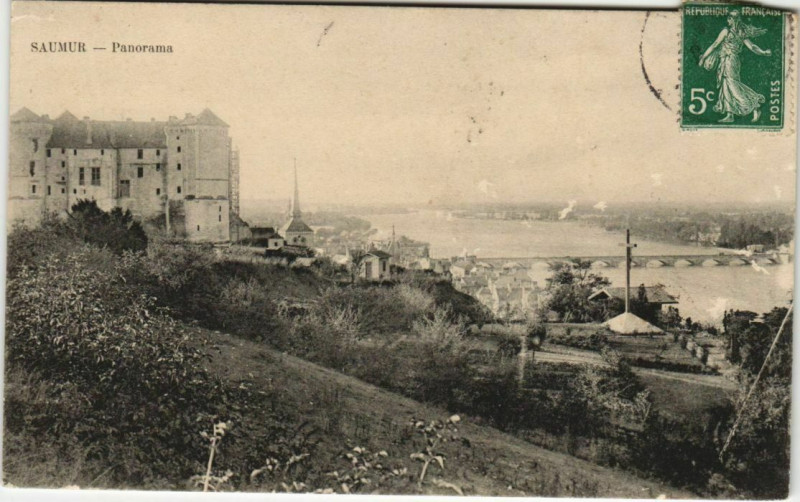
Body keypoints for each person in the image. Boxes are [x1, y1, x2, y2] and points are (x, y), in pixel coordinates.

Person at [698, 10, 772, 123]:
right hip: (729, 60)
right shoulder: (741, 32)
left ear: (733, 19)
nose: (728, 20)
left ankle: (755, 105)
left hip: (729, 60)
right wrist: (763, 52)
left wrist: (703, 58)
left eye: (729, 18)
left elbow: (714, 45)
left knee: (732, 85)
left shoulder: (726, 31)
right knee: (726, 85)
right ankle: (730, 114)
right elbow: (752, 47)